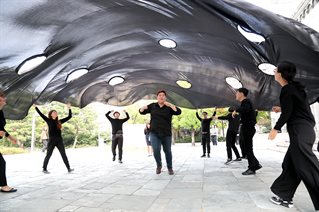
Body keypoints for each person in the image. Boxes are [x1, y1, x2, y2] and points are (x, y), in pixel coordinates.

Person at [268, 61, 319, 210]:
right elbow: (294, 107)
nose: (274, 72)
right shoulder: (294, 89)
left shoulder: (287, 90)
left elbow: (289, 112)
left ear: (281, 74)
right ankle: (285, 196)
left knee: (308, 168)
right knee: (290, 164)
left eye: (276, 70)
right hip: (305, 131)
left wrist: (275, 129)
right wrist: (281, 108)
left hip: (300, 132)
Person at [139, 90, 181, 175]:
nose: (161, 97)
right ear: (157, 97)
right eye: (159, 95)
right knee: (156, 149)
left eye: (163, 95)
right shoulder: (152, 106)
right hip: (154, 132)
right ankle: (159, 165)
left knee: (167, 151)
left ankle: (170, 168)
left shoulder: (169, 107)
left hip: (166, 133)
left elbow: (178, 112)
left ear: (165, 97)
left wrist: (170, 104)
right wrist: (142, 108)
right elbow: (141, 111)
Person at [34, 103, 73, 174]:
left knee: (63, 154)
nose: (55, 113)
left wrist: (69, 108)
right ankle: (44, 169)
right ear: (51, 114)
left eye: (56, 112)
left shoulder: (59, 121)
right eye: (54, 112)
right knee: (48, 154)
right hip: (52, 140)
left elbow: (70, 116)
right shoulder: (48, 120)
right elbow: (41, 114)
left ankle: (69, 168)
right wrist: (36, 107)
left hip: (59, 140)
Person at [232, 87, 262, 175]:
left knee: (248, 148)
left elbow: (245, 109)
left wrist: (235, 110)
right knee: (246, 147)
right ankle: (255, 164)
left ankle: (252, 168)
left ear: (241, 93)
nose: (236, 95)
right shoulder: (244, 103)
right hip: (247, 127)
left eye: (237, 93)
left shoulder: (246, 102)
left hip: (248, 128)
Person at [0, 91, 18, 193]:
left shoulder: (1, 112)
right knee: (1, 162)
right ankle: (3, 185)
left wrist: (10, 137)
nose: (5, 98)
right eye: (2, 97)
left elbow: (1, 128)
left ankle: (3, 185)